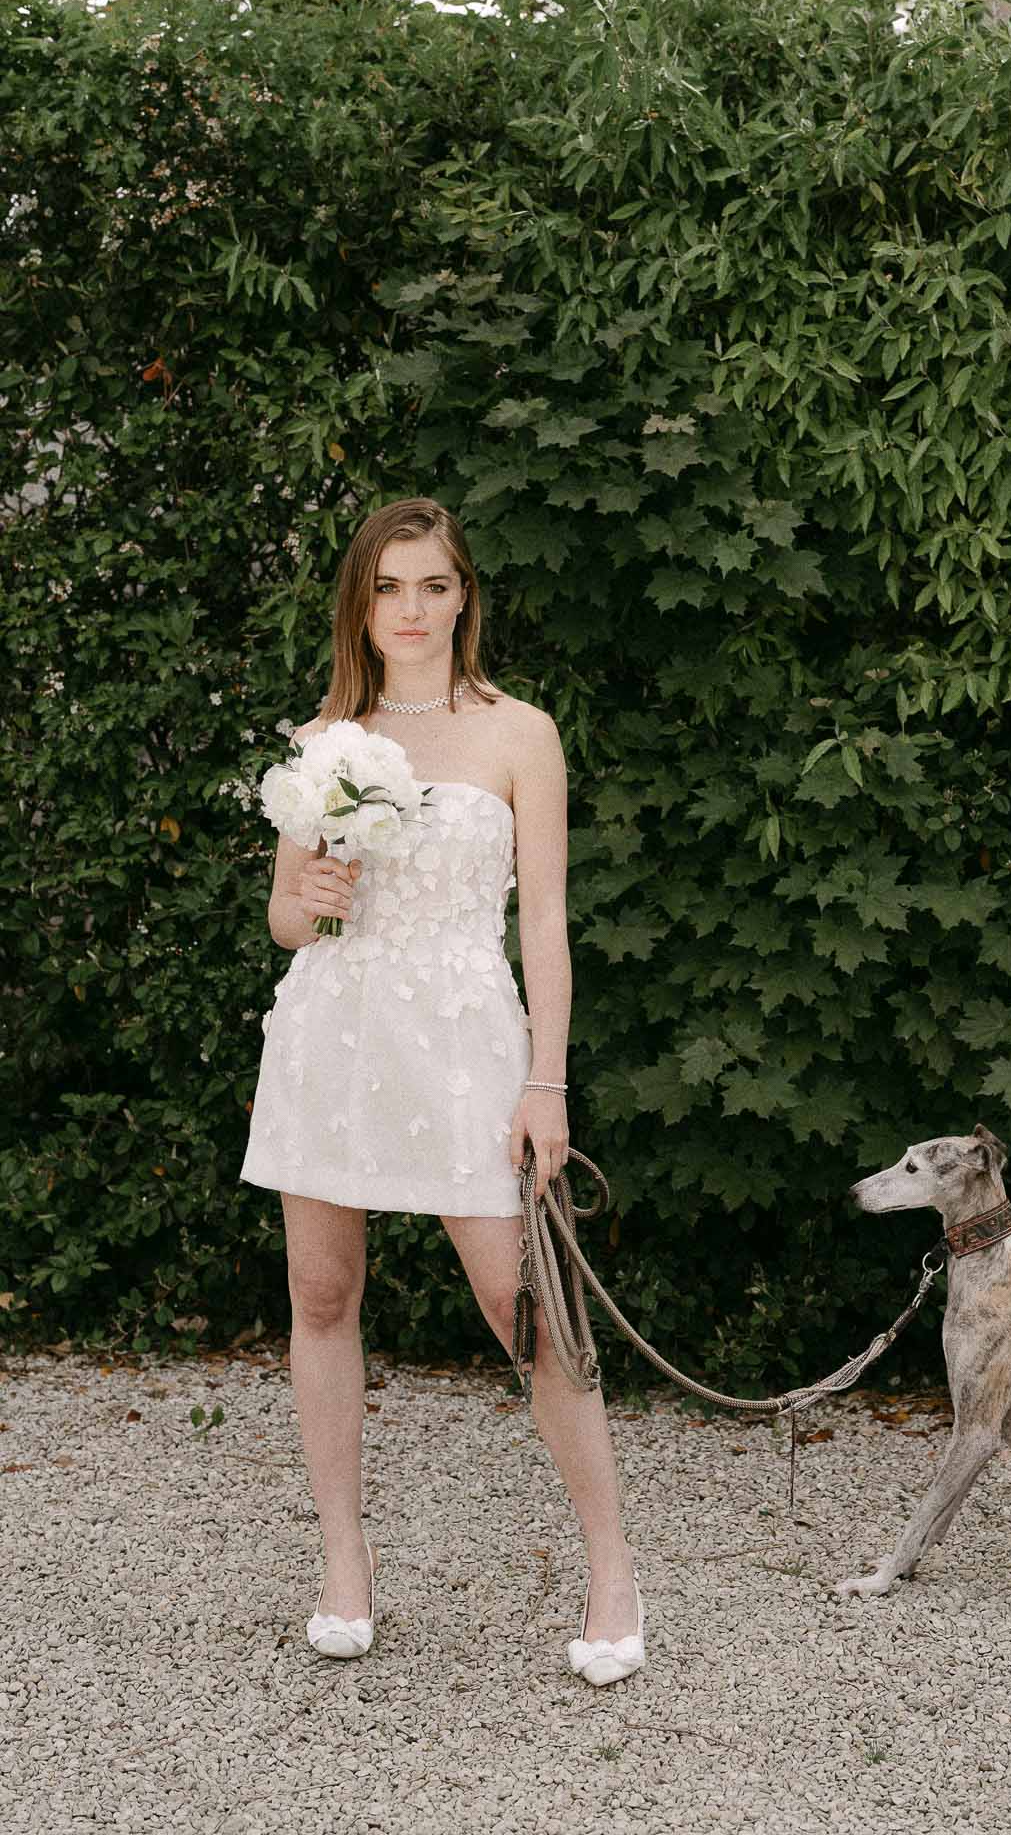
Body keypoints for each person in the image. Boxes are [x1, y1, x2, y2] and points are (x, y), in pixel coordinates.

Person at [240, 495, 644, 1686]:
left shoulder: (522, 731)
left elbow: (551, 923)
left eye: (433, 585)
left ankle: (612, 1565)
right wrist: (303, 897)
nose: (411, 609)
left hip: (469, 1043)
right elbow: (282, 918)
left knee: (527, 1310)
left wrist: (546, 1081)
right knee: (321, 1292)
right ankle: (345, 1562)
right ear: (361, 605)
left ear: (464, 595)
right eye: (389, 588)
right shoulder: (328, 737)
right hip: (334, 1036)